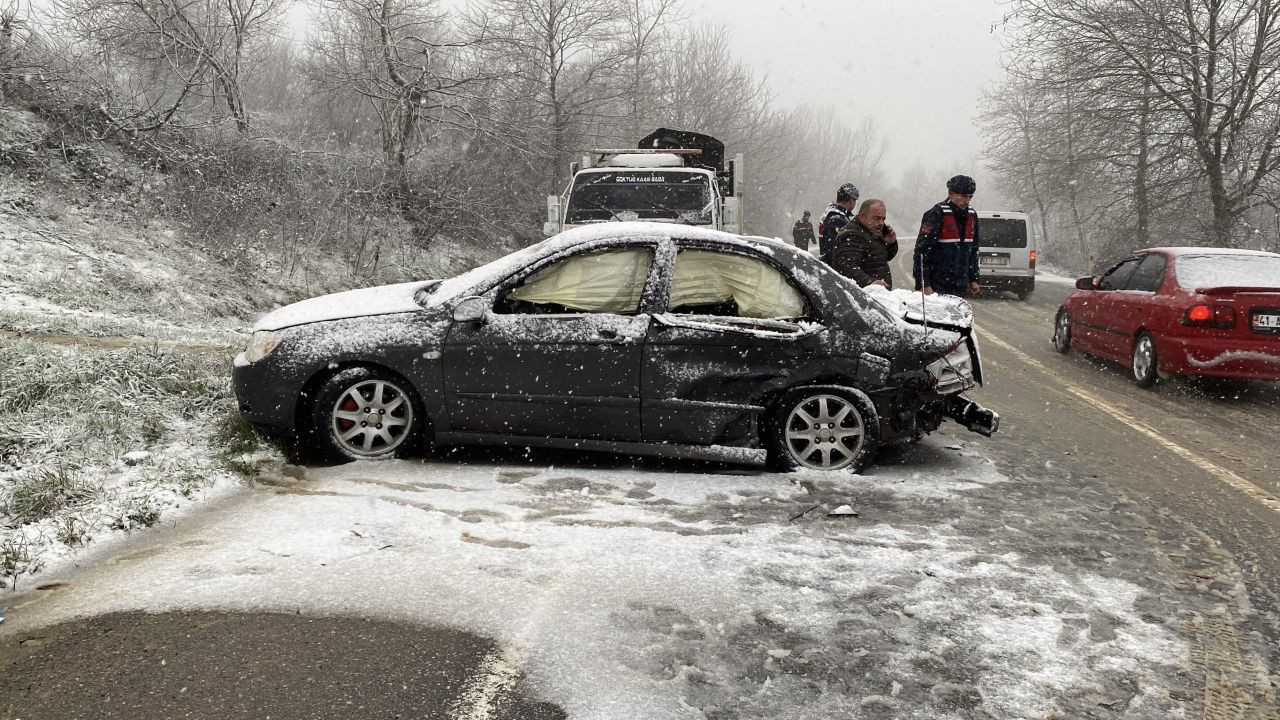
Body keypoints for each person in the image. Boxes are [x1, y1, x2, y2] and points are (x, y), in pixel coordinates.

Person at [913, 175, 981, 297]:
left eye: (970, 197)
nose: (967, 201)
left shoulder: (972, 216)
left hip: (960, 285)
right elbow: (921, 252)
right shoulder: (936, 214)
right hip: (936, 285)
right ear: (950, 194)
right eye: (963, 196)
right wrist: (925, 285)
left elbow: (973, 251)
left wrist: (973, 279)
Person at [833, 199, 898, 288]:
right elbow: (845, 266)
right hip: (864, 296)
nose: (881, 223)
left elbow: (881, 258)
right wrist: (870, 283)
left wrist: (891, 243)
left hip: (876, 295)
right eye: (876, 218)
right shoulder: (852, 235)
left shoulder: (871, 231)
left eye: (883, 219)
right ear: (862, 217)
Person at [818, 183, 859, 265]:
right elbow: (834, 251)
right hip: (835, 270)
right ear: (851, 201)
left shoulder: (836, 215)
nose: (854, 204)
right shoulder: (837, 220)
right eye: (855, 201)